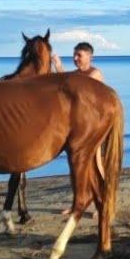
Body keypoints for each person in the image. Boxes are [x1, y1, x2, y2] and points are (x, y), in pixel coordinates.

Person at [52, 42, 105, 218]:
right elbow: (64, 85)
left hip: (93, 127)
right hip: (77, 128)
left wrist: (63, 72)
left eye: (79, 55)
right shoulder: (74, 75)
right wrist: (58, 67)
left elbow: (81, 91)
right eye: (74, 55)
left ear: (90, 56)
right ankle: (77, 204)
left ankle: (101, 203)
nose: (75, 58)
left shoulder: (94, 73)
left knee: (96, 165)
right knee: (75, 167)